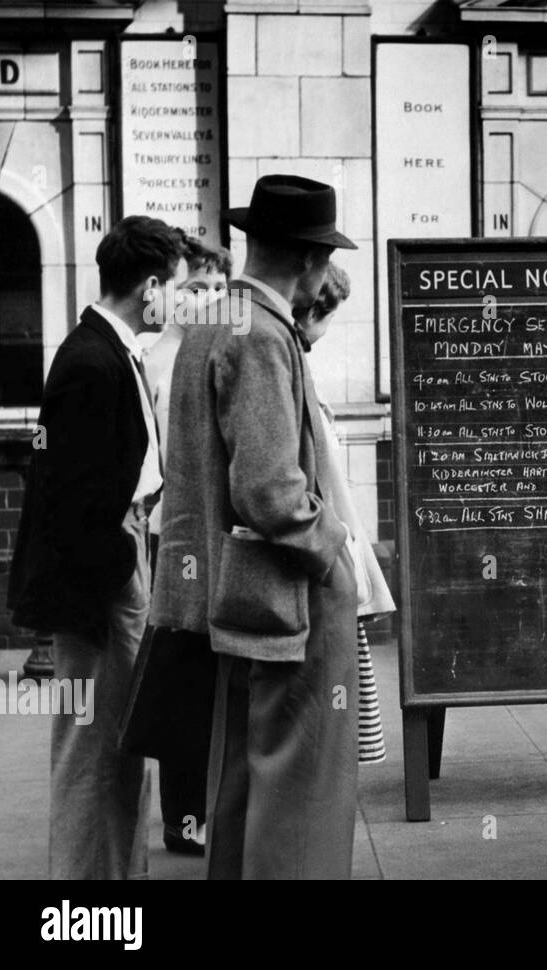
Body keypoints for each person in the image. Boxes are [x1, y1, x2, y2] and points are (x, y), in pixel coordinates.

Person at [149, 174, 360, 879]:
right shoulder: (265, 336)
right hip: (284, 597)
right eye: (325, 256)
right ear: (307, 259)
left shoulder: (210, 321)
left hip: (223, 595)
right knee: (301, 794)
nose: (325, 272)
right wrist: (334, 549)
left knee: (241, 778)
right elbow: (270, 493)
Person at [7, 215, 186, 878]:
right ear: (147, 286)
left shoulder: (106, 351)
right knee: (92, 751)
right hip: (104, 576)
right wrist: (119, 573)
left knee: (120, 744)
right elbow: (71, 499)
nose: (181, 304)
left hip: (118, 559)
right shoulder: (90, 360)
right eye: (177, 289)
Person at [143, 235, 232, 856]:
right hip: (171, 534)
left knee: (211, 679)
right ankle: (183, 815)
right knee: (181, 677)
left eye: (216, 290)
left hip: (212, 534)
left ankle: (204, 806)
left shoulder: (221, 349)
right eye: (195, 288)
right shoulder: (152, 356)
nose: (206, 300)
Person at [293, 263, 395, 766]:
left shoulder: (295, 364)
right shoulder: (289, 355)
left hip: (329, 545)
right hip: (322, 550)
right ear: (315, 310)